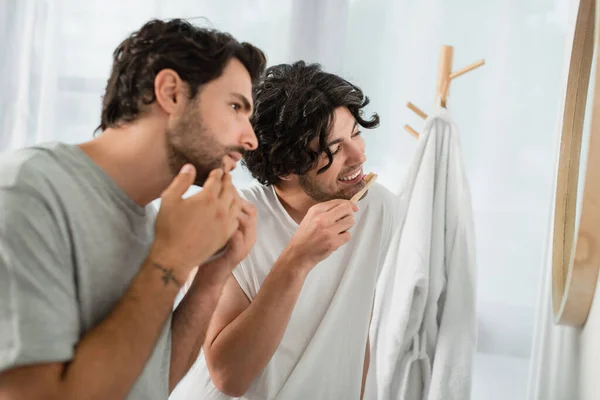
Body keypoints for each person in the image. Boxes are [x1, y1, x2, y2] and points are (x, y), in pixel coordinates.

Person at [0, 18, 265, 400]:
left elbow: (149, 383)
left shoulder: (150, 222)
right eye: (236, 107)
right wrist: (171, 257)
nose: (251, 138)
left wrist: (213, 273)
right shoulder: (26, 192)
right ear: (171, 92)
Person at [174, 61, 399, 400]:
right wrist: (297, 259)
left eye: (355, 134)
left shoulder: (381, 209)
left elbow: (354, 331)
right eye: (335, 149)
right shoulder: (225, 219)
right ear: (286, 167)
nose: (359, 155)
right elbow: (229, 377)